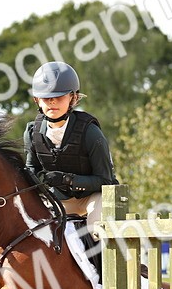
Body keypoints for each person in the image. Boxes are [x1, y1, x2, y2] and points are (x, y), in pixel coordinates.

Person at [23, 61, 117, 240]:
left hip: (94, 198)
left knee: (95, 229)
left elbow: (106, 180)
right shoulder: (32, 132)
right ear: (37, 100)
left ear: (73, 98)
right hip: (58, 200)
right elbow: (31, 170)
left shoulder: (90, 132)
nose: (52, 102)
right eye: (46, 97)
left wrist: (68, 180)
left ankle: (111, 266)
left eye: (59, 97)